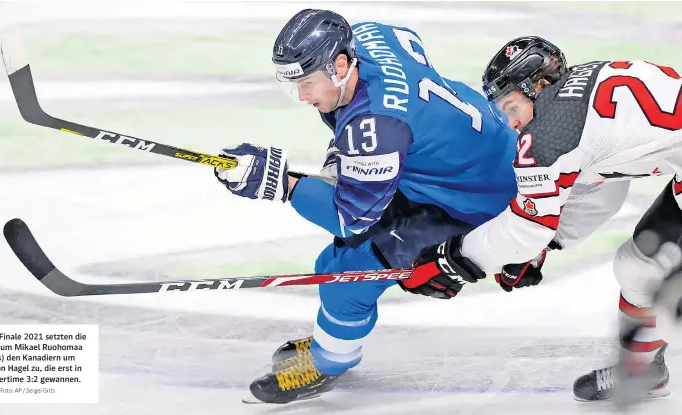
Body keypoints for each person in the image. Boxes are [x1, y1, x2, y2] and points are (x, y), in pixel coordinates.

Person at [213, 9, 518, 404]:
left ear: (340, 64)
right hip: (461, 162)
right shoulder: (369, 38)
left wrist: (281, 184)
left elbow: (348, 219)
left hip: (474, 202)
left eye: (307, 83)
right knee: (331, 263)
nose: (303, 97)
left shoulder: (376, 126)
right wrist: (339, 160)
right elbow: (401, 49)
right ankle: (334, 338)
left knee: (349, 276)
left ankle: (328, 363)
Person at [404, 35, 682, 402]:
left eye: (511, 106)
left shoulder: (549, 135)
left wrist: (454, 259)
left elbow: (524, 228)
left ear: (537, 86)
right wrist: (547, 242)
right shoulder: (580, 98)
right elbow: (600, 186)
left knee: (644, 268)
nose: (510, 122)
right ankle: (642, 368)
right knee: (638, 266)